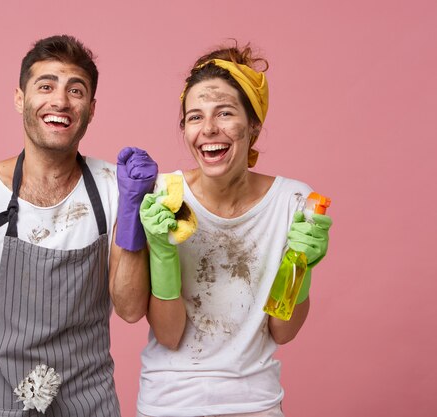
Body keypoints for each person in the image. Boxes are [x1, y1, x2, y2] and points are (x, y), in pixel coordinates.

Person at [0, 34, 156, 417]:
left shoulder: (114, 188)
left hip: (90, 404)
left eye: (76, 90)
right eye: (46, 86)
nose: (60, 100)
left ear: (91, 109)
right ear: (20, 98)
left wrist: (134, 212)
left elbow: (128, 308)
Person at [136, 42, 333, 417]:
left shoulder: (294, 202)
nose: (209, 129)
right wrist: (161, 252)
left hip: (256, 402)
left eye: (224, 113)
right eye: (194, 117)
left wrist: (300, 265)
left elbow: (283, 332)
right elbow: (169, 335)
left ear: (253, 124)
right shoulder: (164, 197)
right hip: (170, 402)